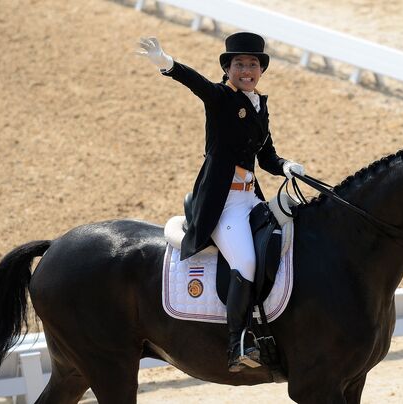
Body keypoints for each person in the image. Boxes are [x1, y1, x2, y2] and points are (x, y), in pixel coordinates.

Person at [137, 32, 304, 372]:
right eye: (239, 64)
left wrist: (285, 166)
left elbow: (266, 155)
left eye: (253, 64)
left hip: (250, 199)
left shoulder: (260, 104)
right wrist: (167, 64)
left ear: (261, 70)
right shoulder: (221, 98)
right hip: (223, 203)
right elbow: (196, 83)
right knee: (244, 262)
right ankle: (237, 342)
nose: (247, 70)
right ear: (228, 69)